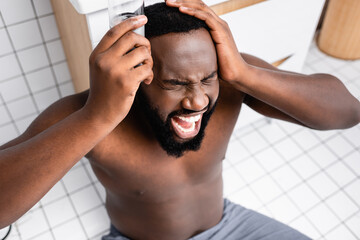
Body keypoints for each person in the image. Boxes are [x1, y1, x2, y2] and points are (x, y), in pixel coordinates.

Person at [0, 1, 359, 240]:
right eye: (174, 83)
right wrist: (98, 116)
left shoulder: (232, 83)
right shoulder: (90, 115)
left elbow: (348, 112)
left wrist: (245, 74)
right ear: (139, 77)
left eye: (207, 79)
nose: (198, 101)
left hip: (228, 226)